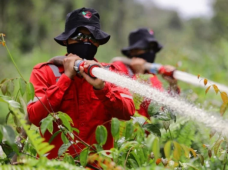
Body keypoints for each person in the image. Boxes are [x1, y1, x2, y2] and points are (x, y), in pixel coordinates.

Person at [27, 7, 135, 159]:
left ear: (98, 43)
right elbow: (34, 117)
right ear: (66, 40)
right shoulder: (44, 72)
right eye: (79, 36)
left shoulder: (110, 73)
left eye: (93, 38)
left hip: (98, 166)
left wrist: (102, 88)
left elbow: (127, 113)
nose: (86, 41)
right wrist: (65, 79)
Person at [112, 28, 180, 120]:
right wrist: (139, 76)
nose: (150, 52)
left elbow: (162, 113)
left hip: (144, 134)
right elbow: (122, 107)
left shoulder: (151, 76)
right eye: (146, 48)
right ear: (133, 51)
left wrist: (173, 86)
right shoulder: (118, 68)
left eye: (153, 49)